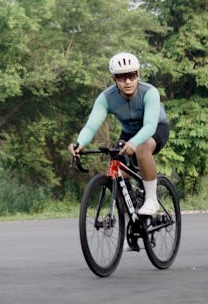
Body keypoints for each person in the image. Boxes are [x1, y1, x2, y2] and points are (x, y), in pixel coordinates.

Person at [68, 52, 170, 216]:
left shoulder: (150, 92)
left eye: (131, 76)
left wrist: (135, 143)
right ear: (114, 79)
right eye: (122, 77)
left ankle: (151, 200)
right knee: (114, 171)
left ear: (138, 75)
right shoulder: (106, 98)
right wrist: (79, 143)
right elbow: (91, 126)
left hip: (156, 128)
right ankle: (131, 210)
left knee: (142, 150)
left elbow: (150, 126)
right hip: (129, 134)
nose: (128, 81)